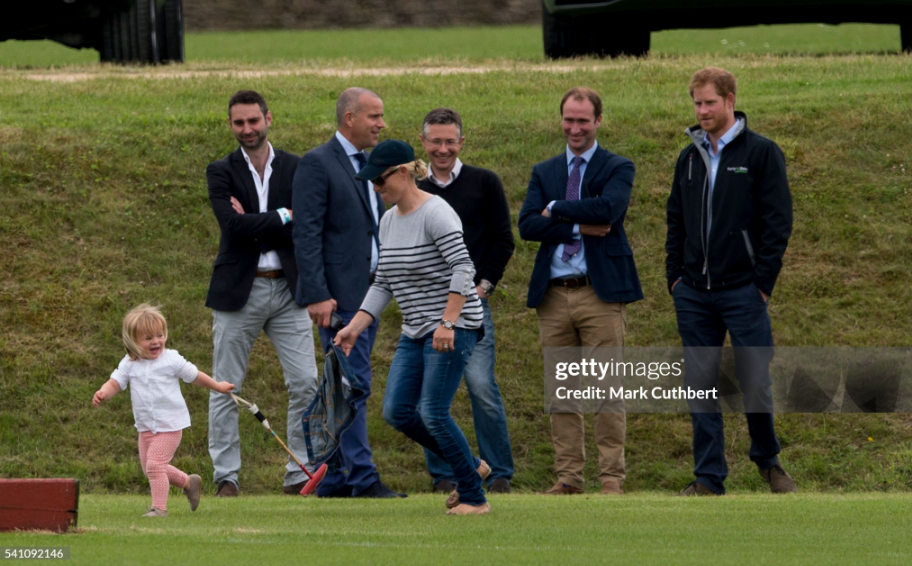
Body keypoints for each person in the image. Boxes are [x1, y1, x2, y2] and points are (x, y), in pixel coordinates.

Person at [334, 140, 490, 515]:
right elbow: (383, 281)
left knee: (434, 411)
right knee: (398, 412)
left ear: (404, 173)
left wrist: (448, 322)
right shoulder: (389, 221)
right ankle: (471, 466)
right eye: (371, 182)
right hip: (416, 330)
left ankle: (473, 497)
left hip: (454, 326)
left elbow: (464, 268)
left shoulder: (437, 213)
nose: (376, 188)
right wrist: (355, 326)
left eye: (381, 180)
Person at [666, 67, 796, 496]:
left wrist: (763, 282)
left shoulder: (761, 153)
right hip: (694, 293)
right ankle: (708, 478)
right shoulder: (688, 157)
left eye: (708, 102)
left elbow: (778, 222)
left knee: (755, 377)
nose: (701, 111)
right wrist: (675, 277)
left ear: (729, 99)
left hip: (744, 289)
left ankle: (768, 461)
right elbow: (675, 220)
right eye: (696, 103)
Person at [518, 86, 642, 496]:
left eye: (583, 120)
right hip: (553, 295)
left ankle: (611, 479)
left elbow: (609, 210)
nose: (575, 128)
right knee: (562, 392)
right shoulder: (545, 169)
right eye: (568, 119)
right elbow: (527, 226)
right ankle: (569, 477)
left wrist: (554, 208)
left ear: (598, 121)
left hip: (599, 293)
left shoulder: (617, 165)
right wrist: (574, 225)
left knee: (606, 389)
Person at [205, 90, 319, 497]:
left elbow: (305, 224)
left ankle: (299, 474)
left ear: (268, 118)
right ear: (231, 125)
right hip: (240, 290)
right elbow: (231, 227)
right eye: (239, 123)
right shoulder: (220, 170)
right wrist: (281, 216)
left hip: (289, 289)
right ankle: (226, 477)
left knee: (306, 382)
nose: (247, 129)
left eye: (254, 121)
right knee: (225, 386)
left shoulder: (298, 167)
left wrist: (261, 219)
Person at [293, 87, 404, 498]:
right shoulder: (317, 163)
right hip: (338, 299)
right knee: (352, 383)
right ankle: (361, 477)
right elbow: (305, 234)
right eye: (374, 116)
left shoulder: (374, 165)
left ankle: (336, 478)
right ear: (349, 118)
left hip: (371, 294)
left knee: (345, 385)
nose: (381, 123)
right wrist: (317, 294)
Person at [416, 108, 515, 494]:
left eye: (450, 141)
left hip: (472, 307)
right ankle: (445, 473)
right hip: (427, 310)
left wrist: (484, 286)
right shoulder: (415, 189)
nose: (443, 149)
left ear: (462, 142)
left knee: (481, 387)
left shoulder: (484, 183)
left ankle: (500, 471)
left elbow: (502, 239)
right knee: (432, 397)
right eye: (435, 141)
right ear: (423, 142)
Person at [92, 304, 236, 517]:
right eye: (148, 338)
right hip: (146, 427)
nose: (156, 341)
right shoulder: (129, 363)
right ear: (133, 341)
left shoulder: (171, 359)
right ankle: (188, 483)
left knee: (154, 465)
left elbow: (194, 375)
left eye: (160, 335)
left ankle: (159, 509)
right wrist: (103, 392)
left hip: (170, 424)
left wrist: (217, 386)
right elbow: (115, 382)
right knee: (151, 468)